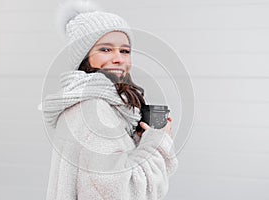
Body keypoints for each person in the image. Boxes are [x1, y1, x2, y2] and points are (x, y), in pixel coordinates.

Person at [42, 1, 178, 199]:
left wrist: (139, 138)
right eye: (105, 49)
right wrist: (158, 141)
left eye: (124, 50)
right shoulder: (93, 109)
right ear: (84, 58)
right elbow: (126, 190)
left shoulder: (98, 103)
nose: (118, 58)